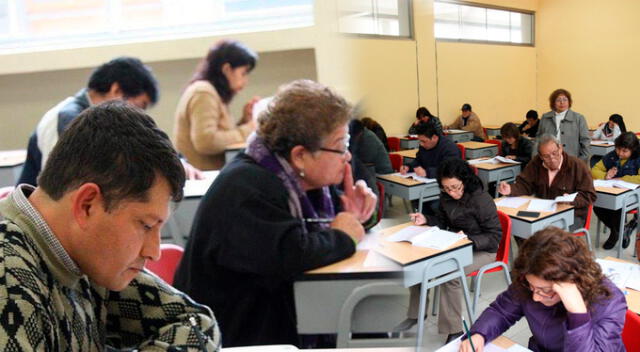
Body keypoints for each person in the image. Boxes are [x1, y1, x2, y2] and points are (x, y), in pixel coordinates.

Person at [0, 102, 220, 350]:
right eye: (146, 225)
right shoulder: (8, 278)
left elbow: (196, 323)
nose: (154, 251)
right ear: (87, 205)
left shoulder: (84, 253)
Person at [173, 80, 377, 347]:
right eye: (340, 145)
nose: (347, 156)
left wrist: (358, 215)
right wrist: (343, 236)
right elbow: (293, 253)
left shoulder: (299, 180)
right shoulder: (247, 187)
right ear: (301, 155)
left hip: (270, 324)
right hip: (236, 338)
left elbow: (338, 222)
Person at [17, 56, 204, 186]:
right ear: (116, 91)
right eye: (140, 105)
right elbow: (62, 188)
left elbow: (143, 146)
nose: (139, 114)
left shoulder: (106, 119)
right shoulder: (67, 119)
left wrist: (176, 162)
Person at [460, 227, 627, 352]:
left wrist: (577, 314)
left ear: (571, 281)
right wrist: (479, 334)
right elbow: (501, 311)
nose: (535, 297)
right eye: (532, 287)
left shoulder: (609, 301)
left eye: (544, 290)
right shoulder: (531, 280)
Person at [399, 159, 501, 342]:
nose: (452, 192)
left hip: (483, 249)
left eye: (455, 187)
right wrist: (426, 219)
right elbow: (442, 221)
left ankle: (453, 330)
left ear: (465, 180)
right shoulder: (445, 196)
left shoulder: (481, 199)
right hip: (457, 244)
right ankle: (416, 313)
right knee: (421, 261)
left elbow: (494, 237)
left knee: (451, 273)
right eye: (447, 188)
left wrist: (469, 239)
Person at [174, 39, 260, 170]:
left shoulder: (212, 93)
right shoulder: (204, 92)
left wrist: (244, 121)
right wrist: (250, 128)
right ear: (227, 69)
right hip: (201, 178)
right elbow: (206, 142)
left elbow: (220, 137)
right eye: (243, 73)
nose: (245, 81)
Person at [498, 134, 596, 231]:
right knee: (520, 227)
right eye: (546, 156)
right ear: (540, 156)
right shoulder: (535, 163)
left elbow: (589, 195)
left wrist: (570, 200)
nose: (552, 159)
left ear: (560, 148)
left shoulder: (577, 165)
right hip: (544, 213)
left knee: (548, 236)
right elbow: (525, 184)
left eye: (555, 153)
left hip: (572, 215)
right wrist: (510, 189)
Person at [591, 131, 640, 249]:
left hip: (633, 196)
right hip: (612, 192)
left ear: (633, 150)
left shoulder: (638, 158)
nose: (620, 153)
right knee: (598, 204)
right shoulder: (612, 155)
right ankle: (622, 230)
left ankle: (615, 234)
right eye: (618, 149)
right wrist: (605, 176)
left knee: (617, 208)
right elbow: (594, 169)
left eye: (624, 151)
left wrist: (622, 179)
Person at [537, 88, 591, 162]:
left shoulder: (578, 118)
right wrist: (536, 157)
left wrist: (580, 161)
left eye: (565, 99)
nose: (562, 102)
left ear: (569, 102)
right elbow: (539, 139)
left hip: (572, 160)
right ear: (553, 103)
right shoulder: (545, 117)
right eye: (558, 100)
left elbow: (585, 142)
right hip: (549, 160)